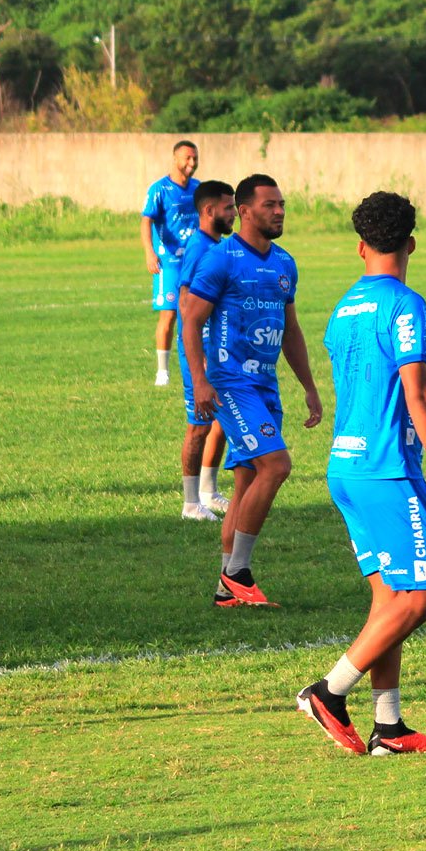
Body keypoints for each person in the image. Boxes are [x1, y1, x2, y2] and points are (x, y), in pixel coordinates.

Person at [296, 191, 426, 757]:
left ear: (360, 247)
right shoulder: (406, 305)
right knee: (424, 598)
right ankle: (329, 692)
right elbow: (417, 392)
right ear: (411, 243)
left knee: (390, 599)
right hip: (387, 469)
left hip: (345, 466)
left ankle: (388, 728)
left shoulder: (343, 308)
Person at [182, 174, 322, 608]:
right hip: (230, 382)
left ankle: (227, 591)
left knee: (245, 484)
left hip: (265, 384)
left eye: (282, 204)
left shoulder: (284, 263)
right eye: (269, 205)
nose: (279, 211)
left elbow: (291, 330)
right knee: (276, 466)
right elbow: (190, 319)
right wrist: (201, 380)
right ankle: (238, 572)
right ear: (244, 211)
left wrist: (309, 386)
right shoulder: (221, 260)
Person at [174, 180, 235, 522]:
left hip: (217, 348)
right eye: (228, 208)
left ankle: (209, 492)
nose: (233, 214)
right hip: (200, 351)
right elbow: (186, 302)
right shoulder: (199, 247)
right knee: (199, 425)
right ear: (209, 211)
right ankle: (190, 503)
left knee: (220, 420)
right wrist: (198, 359)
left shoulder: (217, 245)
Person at [142, 140, 201, 386]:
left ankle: (201, 365)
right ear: (175, 158)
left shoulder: (199, 189)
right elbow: (146, 221)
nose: (192, 163)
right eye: (187, 158)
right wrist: (149, 252)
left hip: (196, 261)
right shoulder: (160, 189)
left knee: (199, 315)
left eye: (195, 158)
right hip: (169, 262)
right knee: (169, 316)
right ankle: (162, 372)